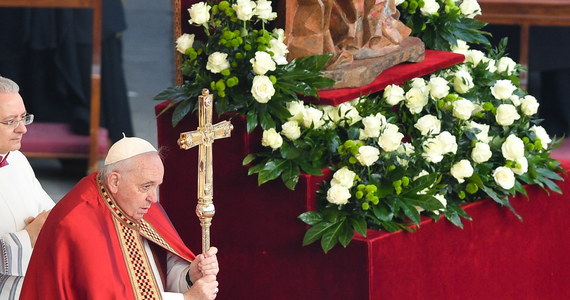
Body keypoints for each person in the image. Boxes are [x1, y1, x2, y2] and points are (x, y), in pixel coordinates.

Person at [20, 137, 220, 300]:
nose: (154, 198)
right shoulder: (78, 222)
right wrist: (188, 299)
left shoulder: (135, 201)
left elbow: (158, 268)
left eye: (156, 186)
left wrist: (188, 277)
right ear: (114, 181)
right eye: (146, 186)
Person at [0, 76, 54, 300]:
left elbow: (48, 213)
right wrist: (26, 238)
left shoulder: (18, 160)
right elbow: (34, 231)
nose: (23, 129)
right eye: (10, 121)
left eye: (23, 118)